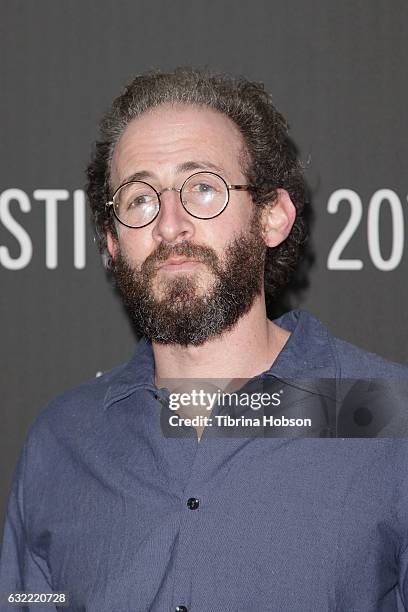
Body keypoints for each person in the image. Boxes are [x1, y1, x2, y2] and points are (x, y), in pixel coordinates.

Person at [1, 67, 408, 612]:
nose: (170, 225)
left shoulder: (385, 417)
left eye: (203, 188)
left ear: (272, 217)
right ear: (113, 241)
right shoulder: (63, 443)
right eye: (139, 199)